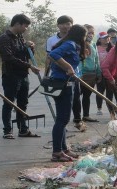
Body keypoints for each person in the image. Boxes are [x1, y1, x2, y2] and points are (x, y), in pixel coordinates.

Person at [0, 14, 41, 139]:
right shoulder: (4, 38)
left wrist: (31, 48)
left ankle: (23, 129)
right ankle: (7, 131)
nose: (26, 28)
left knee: (23, 103)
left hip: (23, 75)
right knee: (9, 102)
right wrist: (29, 66)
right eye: (25, 26)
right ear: (17, 24)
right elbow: (8, 57)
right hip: (11, 75)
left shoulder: (20, 38)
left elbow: (26, 55)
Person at [48, 24, 87, 162]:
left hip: (68, 83)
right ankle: (57, 152)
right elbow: (53, 54)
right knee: (62, 119)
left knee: (63, 119)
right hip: (62, 83)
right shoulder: (70, 44)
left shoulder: (71, 44)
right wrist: (69, 67)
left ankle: (64, 149)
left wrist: (72, 71)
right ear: (81, 35)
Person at [78, 24, 100, 122]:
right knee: (77, 96)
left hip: (92, 74)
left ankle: (86, 115)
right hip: (82, 75)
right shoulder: (79, 45)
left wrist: (98, 73)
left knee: (87, 96)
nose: (90, 35)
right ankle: (77, 117)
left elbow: (97, 60)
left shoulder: (94, 44)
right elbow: (79, 61)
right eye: (89, 33)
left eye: (92, 33)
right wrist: (79, 75)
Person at [96, 31, 113, 115]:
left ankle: (111, 109)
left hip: (110, 73)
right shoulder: (96, 48)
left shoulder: (112, 48)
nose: (107, 39)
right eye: (105, 38)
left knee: (110, 91)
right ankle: (99, 108)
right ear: (99, 40)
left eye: (108, 37)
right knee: (100, 91)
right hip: (100, 73)